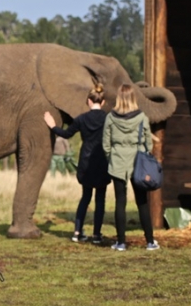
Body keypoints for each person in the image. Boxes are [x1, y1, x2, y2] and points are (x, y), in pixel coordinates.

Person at [44, 83, 111, 244]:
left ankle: (77, 232)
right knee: (100, 199)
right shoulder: (108, 118)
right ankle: (96, 235)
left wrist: (52, 126)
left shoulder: (81, 119)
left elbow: (66, 134)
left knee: (85, 198)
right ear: (102, 103)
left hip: (86, 162)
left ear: (88, 101)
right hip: (102, 162)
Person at [102, 84, 160, 251]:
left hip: (118, 160)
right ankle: (150, 241)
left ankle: (121, 242)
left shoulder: (110, 117)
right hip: (138, 160)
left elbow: (106, 143)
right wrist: (144, 154)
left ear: (119, 98)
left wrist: (112, 158)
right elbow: (148, 141)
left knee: (120, 202)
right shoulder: (141, 117)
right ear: (133, 97)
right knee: (142, 202)